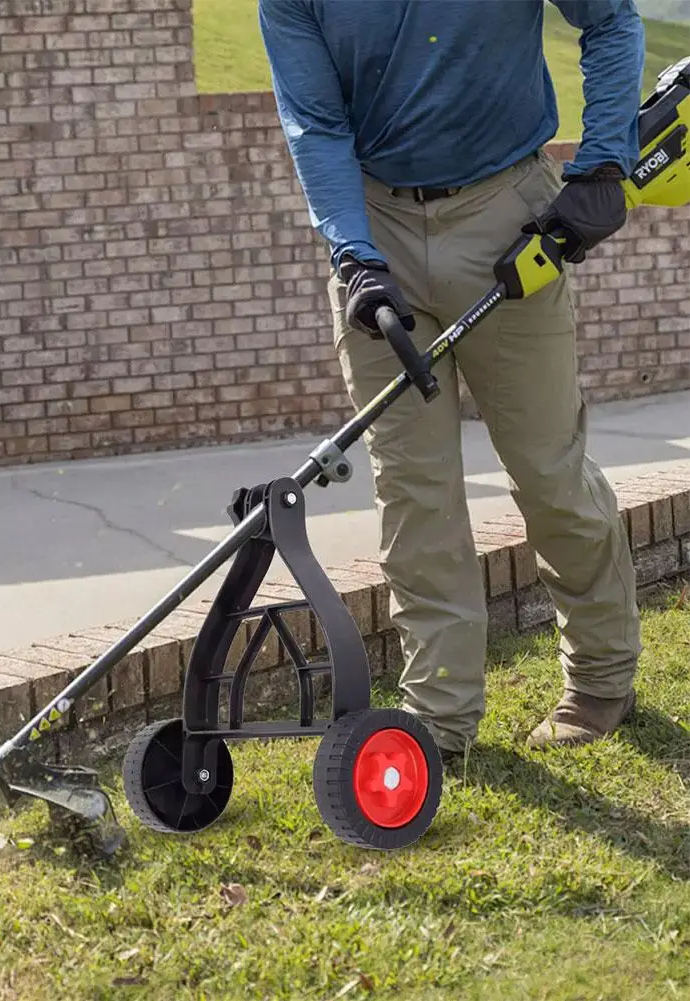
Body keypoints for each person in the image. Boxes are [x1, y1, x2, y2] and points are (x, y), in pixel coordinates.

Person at [257, 0, 646, 767]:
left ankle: (601, 679)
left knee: (546, 469)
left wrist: (603, 159)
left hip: (507, 211)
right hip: (376, 229)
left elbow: (611, 20)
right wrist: (354, 258)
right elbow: (316, 124)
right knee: (413, 489)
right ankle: (438, 720)